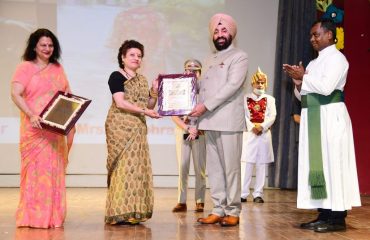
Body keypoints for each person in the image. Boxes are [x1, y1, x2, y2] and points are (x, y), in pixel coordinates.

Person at [283, 19, 361, 233]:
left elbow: (326, 88)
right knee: (318, 167)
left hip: (330, 118)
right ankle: (324, 213)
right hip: (315, 117)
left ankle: (337, 219)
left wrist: (303, 77)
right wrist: (298, 83)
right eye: (311, 36)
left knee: (332, 165)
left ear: (329, 35)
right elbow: (304, 96)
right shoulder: (315, 62)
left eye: (316, 35)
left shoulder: (338, 59)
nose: (312, 39)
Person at [10, 28, 75, 228]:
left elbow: (67, 97)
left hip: (54, 132)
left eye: (50, 45)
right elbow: (15, 93)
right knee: (36, 174)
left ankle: (52, 217)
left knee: (53, 173)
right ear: (34, 47)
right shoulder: (25, 67)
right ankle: (33, 217)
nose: (47, 49)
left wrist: (71, 115)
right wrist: (31, 115)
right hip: (35, 131)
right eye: (43, 45)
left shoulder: (57, 68)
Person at [189, 13, 248, 227]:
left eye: (224, 31)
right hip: (209, 121)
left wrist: (204, 106)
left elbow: (232, 87)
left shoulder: (239, 56)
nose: (220, 34)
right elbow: (202, 91)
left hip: (229, 121)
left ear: (231, 33)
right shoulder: (208, 59)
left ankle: (233, 210)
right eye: (216, 31)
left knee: (230, 168)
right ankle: (217, 208)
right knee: (214, 169)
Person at [104, 39, 161, 225]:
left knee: (136, 170)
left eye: (139, 56)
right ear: (123, 57)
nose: (136, 58)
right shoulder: (116, 76)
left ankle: (135, 212)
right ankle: (118, 212)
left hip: (138, 127)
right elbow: (120, 102)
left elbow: (148, 105)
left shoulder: (142, 80)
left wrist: (154, 91)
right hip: (120, 128)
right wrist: (146, 111)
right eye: (132, 55)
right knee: (123, 169)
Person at [171, 59, 206, 213]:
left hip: (201, 131)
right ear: (184, 72)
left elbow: (210, 112)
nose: (191, 73)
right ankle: (181, 201)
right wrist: (187, 127)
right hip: (182, 130)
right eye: (188, 70)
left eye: (195, 71)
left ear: (200, 73)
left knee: (200, 168)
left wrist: (198, 128)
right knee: (182, 167)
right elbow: (173, 115)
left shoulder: (206, 92)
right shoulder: (177, 90)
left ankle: (200, 201)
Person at [240, 67, 276, 204]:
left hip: (264, 134)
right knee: (247, 164)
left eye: (262, 82)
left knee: (261, 164)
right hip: (250, 134)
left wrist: (262, 126)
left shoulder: (270, 99)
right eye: (258, 82)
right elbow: (243, 115)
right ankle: (243, 193)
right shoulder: (245, 98)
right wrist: (252, 127)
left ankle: (258, 194)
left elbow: (273, 115)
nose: (260, 85)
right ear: (252, 83)